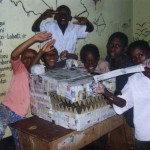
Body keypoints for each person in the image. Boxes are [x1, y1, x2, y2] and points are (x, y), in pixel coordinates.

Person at [0, 32, 51, 150]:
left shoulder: (39, 74)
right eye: (25, 57)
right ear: (21, 61)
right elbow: (14, 54)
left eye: (33, 57)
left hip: (21, 116)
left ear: (38, 61)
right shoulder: (20, 70)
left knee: (23, 143)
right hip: (6, 109)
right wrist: (34, 39)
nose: (29, 60)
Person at [96, 40, 150, 150]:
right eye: (134, 58)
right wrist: (105, 92)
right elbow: (123, 103)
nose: (139, 60)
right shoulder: (134, 80)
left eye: (141, 55)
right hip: (146, 135)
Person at [106, 32, 134, 128]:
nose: (113, 49)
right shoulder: (109, 61)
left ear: (125, 49)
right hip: (116, 101)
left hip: (130, 106)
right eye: (111, 45)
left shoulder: (130, 67)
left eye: (117, 46)